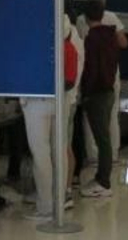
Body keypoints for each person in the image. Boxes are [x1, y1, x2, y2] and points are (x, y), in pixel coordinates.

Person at [24, 15, 84, 221]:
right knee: (60, 152)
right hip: (62, 102)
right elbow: (70, 81)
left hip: (36, 102)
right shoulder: (69, 47)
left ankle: (45, 206)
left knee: (41, 155)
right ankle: (59, 200)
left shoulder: (33, 46)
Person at [77, 0, 125, 196]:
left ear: (86, 18)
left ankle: (103, 182)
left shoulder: (91, 39)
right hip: (109, 90)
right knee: (105, 136)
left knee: (102, 139)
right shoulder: (111, 35)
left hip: (96, 93)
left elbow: (91, 70)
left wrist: (86, 93)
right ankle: (102, 178)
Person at [74, 0, 121, 168]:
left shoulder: (85, 30)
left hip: (93, 86)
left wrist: (85, 92)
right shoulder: (110, 30)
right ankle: (112, 155)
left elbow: (88, 64)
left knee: (92, 125)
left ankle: (96, 161)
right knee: (111, 120)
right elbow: (123, 42)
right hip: (111, 79)